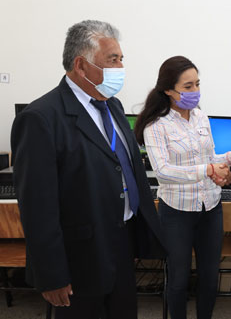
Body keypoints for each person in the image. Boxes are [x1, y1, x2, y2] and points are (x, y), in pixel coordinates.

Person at [10, 20, 165, 319]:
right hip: (78, 257)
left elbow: (123, 167)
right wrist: (51, 275)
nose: (121, 67)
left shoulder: (113, 106)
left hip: (121, 243)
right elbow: (38, 208)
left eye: (121, 59)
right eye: (113, 60)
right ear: (81, 66)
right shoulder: (41, 119)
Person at [134, 55, 231, 319]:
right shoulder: (156, 125)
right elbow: (164, 172)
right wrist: (208, 170)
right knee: (178, 280)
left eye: (197, 84)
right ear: (169, 90)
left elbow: (210, 158)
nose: (195, 92)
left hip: (210, 207)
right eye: (188, 87)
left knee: (209, 278)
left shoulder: (201, 117)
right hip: (176, 212)